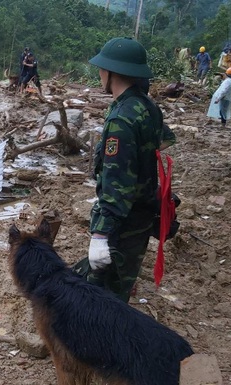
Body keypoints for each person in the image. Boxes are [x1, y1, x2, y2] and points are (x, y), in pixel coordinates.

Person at [72, 37, 167, 303]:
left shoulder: (121, 119)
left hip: (123, 222)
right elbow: (160, 143)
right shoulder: (147, 107)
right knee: (122, 282)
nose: (100, 73)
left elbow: (118, 183)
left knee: (105, 297)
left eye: (102, 68)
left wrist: (101, 234)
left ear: (112, 72)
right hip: (143, 213)